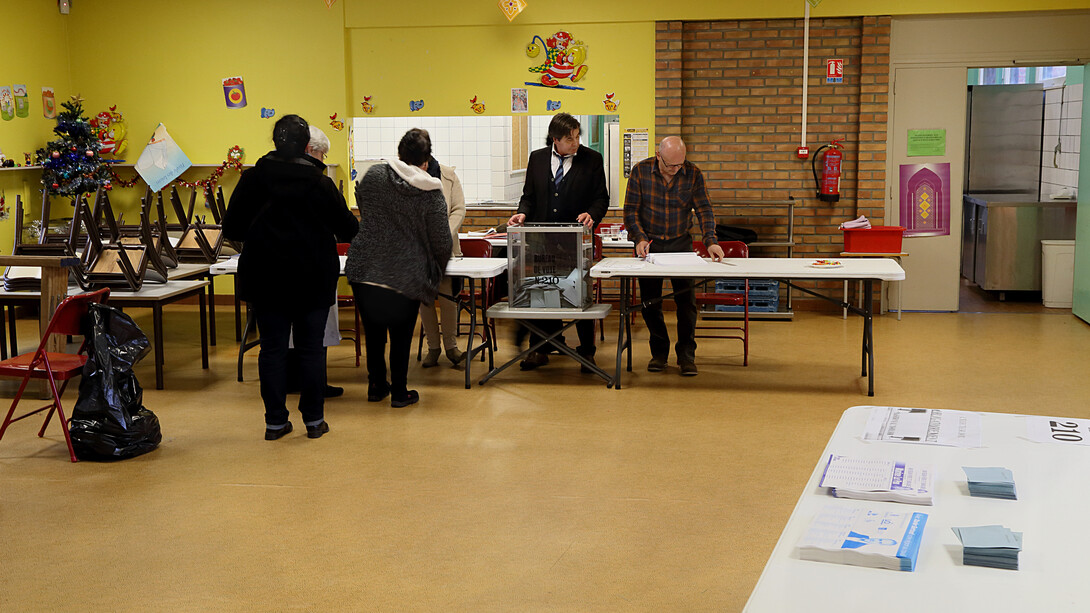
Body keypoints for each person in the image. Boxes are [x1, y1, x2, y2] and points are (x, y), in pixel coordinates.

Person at [223, 114, 358, 440]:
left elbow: (233, 229)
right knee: (311, 350)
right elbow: (349, 229)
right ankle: (313, 421)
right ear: (305, 146)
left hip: (266, 279)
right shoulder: (320, 183)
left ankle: (275, 422)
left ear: (275, 142)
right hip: (312, 280)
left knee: (272, 350)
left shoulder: (253, 180)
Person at [345, 128, 452, 407]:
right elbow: (441, 241)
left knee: (375, 332)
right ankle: (400, 392)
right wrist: (435, 270)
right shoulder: (431, 192)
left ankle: (376, 385)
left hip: (365, 268)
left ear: (399, 153)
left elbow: (366, 210)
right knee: (401, 334)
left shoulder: (374, 175)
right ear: (426, 161)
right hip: (405, 273)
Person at [507, 112, 609, 372]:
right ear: (555, 139)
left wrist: (592, 214)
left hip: (577, 240)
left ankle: (587, 352)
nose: (575, 143)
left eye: (577, 137)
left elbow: (601, 198)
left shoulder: (592, 159)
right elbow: (528, 196)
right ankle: (540, 349)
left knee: (581, 294)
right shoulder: (537, 159)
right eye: (569, 139)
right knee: (542, 291)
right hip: (541, 241)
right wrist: (522, 212)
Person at [623, 135, 724, 377]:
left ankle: (686, 356)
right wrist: (639, 238)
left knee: (687, 303)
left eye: (680, 165)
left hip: (681, 244)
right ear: (658, 156)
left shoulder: (693, 174)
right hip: (650, 244)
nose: (675, 170)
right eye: (670, 165)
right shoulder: (640, 171)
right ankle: (659, 353)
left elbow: (704, 209)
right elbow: (631, 211)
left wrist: (710, 240)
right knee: (650, 303)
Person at [285, 125, 349, 398]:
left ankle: (285, 389)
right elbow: (346, 227)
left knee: (283, 334)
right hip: (314, 269)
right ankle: (315, 389)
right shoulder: (321, 184)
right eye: (322, 155)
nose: (323, 162)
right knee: (315, 332)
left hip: (279, 269)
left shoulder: (266, 179)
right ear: (311, 151)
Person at [418, 137, 467, 369]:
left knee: (448, 297)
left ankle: (451, 346)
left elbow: (458, 208)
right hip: (419, 250)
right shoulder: (409, 175)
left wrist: (442, 233)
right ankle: (433, 347)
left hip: (446, 249)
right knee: (425, 299)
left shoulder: (447, 175)